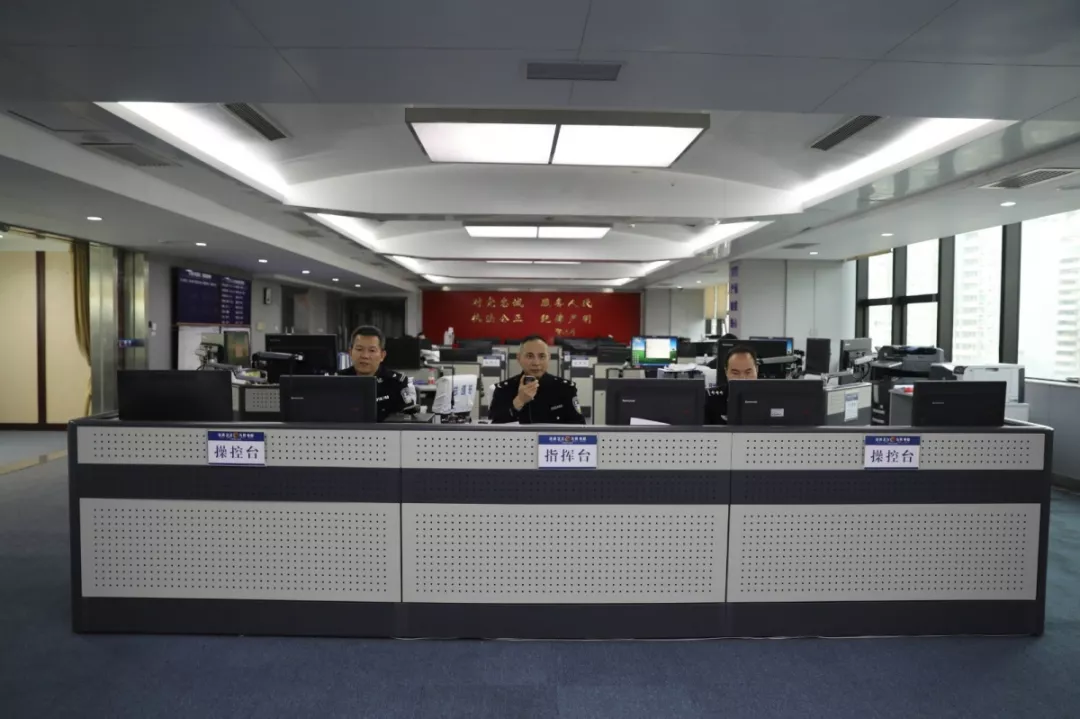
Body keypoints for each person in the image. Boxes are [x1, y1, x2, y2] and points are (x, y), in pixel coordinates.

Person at [489, 335, 586, 424]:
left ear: (549, 358)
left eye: (542, 356)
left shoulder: (565, 389)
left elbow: (579, 427)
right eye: (529, 356)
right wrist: (519, 402)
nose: (536, 363)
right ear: (519, 358)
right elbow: (492, 428)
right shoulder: (503, 390)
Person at [337, 325, 414, 421]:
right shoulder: (337, 381)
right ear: (350, 353)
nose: (365, 356)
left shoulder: (397, 383)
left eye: (372, 350)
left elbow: (407, 420)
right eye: (359, 349)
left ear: (382, 355)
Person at [705, 345, 759, 425]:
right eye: (735, 373)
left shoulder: (771, 397)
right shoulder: (710, 399)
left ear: (757, 370)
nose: (742, 378)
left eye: (748, 372)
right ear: (726, 372)